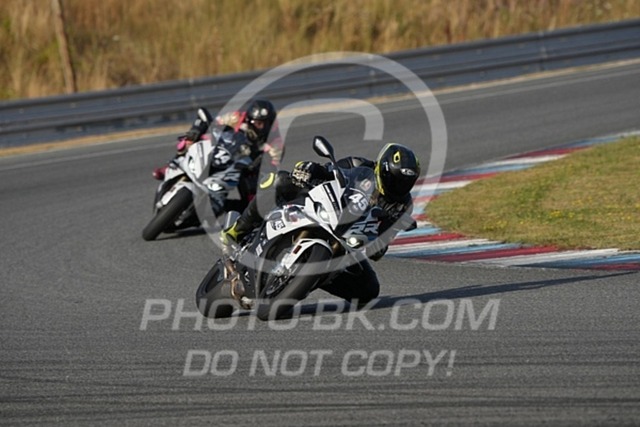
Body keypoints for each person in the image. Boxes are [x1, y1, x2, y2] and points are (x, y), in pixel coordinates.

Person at [221, 142, 421, 306]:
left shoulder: (403, 206)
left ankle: (309, 279)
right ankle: (237, 231)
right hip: (322, 207)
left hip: (348, 240)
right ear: (383, 169)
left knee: (369, 290)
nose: (398, 185)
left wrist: (379, 244)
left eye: (405, 182)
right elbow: (328, 170)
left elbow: (384, 240)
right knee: (278, 181)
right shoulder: (357, 164)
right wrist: (307, 169)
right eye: (394, 179)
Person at [152, 99, 283, 180]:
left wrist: (261, 165)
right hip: (224, 148)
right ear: (249, 119)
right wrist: (203, 131)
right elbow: (215, 124)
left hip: (245, 166)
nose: (260, 127)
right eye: (257, 123)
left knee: (254, 190)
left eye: (264, 123)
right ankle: (172, 166)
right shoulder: (236, 117)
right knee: (194, 137)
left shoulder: (276, 141)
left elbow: (274, 167)